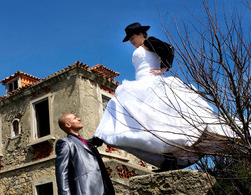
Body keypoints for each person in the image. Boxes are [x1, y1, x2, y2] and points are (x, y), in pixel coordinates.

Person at [94, 22, 234, 171]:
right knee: (149, 121)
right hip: (141, 81)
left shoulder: (149, 42)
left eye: (133, 37)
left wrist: (163, 68)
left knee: (157, 117)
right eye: (129, 39)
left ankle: (99, 138)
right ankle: (167, 159)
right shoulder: (142, 47)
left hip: (151, 81)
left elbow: (169, 49)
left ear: (141, 34)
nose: (131, 41)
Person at [55, 113, 122, 195]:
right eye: (75, 118)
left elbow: (95, 141)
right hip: (84, 194)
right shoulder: (65, 143)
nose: (79, 118)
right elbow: (61, 169)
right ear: (68, 125)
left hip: (103, 192)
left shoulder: (85, 142)